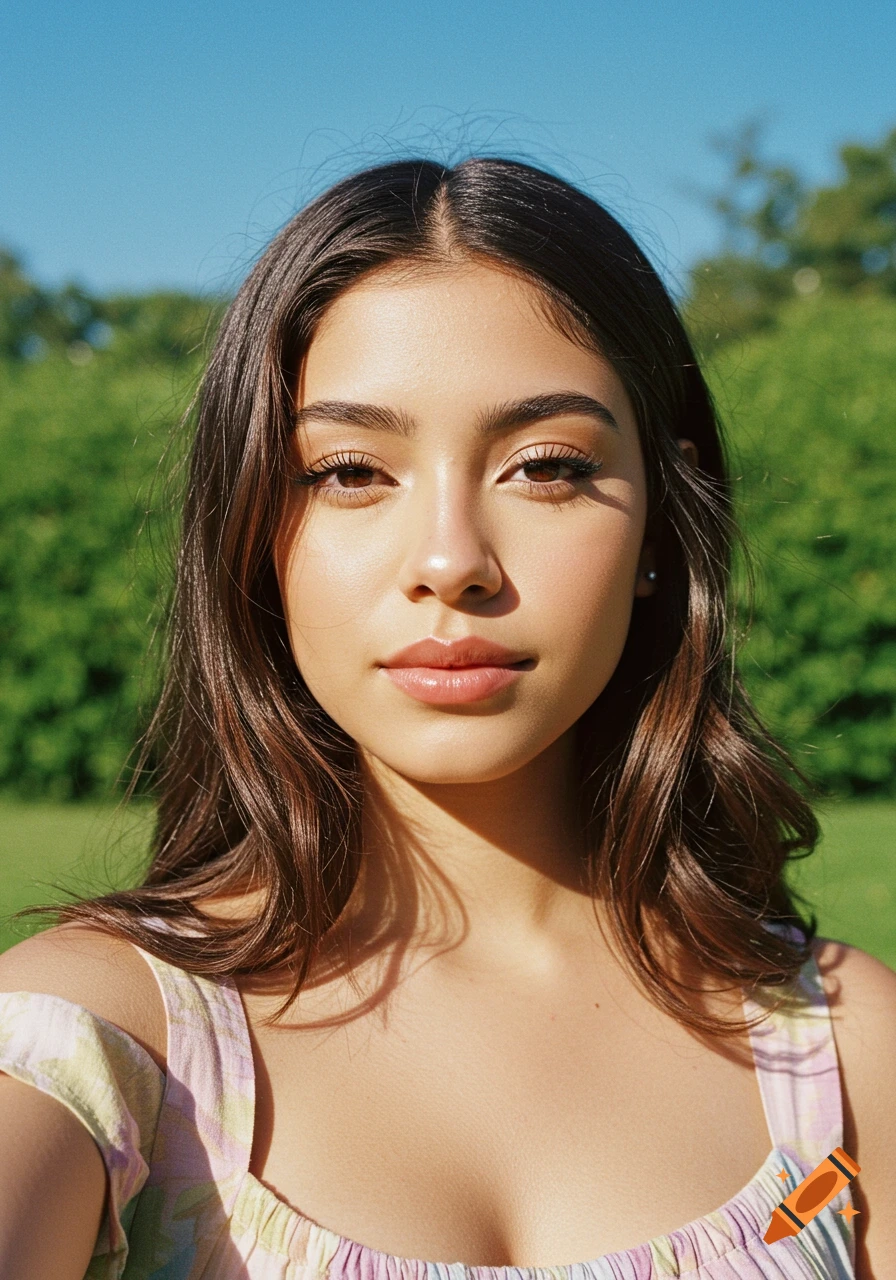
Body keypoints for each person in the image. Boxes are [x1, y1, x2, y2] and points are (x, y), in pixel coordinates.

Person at [0, 158, 893, 1280]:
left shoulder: (850, 1051)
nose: (449, 562)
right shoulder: (89, 1038)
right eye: (349, 470)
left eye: (546, 465)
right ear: (251, 537)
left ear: (664, 521)